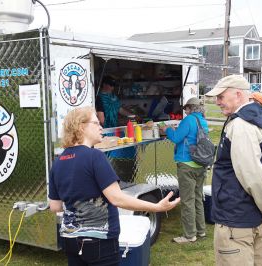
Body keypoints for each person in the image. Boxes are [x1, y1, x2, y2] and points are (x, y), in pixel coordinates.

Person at [48, 106, 180, 266]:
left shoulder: (58, 162)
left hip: (70, 240)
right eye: (96, 123)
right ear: (81, 126)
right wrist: (157, 207)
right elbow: (117, 199)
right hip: (99, 241)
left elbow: (55, 206)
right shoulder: (95, 156)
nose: (101, 127)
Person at [205, 75, 262, 266]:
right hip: (254, 219)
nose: (217, 102)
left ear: (238, 94)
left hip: (236, 220)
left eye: (221, 97)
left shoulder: (241, 124)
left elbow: (253, 176)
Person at [159, 97, 209, 244]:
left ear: (191, 108)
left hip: (186, 164)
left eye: (186, 108)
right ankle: (201, 231)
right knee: (198, 198)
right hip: (200, 164)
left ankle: (189, 235)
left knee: (187, 201)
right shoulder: (203, 121)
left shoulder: (188, 120)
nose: (185, 111)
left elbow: (175, 138)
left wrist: (167, 129)